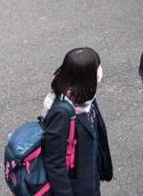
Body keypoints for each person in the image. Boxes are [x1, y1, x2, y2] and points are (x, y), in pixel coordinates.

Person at [43, 47, 112, 195]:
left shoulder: (85, 96)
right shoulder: (62, 113)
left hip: (89, 176)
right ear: (85, 77)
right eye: (96, 69)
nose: (99, 72)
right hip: (76, 188)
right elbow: (54, 163)